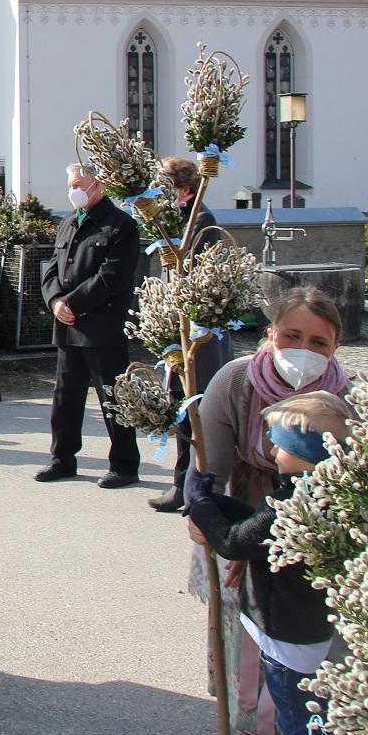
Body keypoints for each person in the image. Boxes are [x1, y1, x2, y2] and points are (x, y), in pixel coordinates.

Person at [188, 286, 349, 735]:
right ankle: (253, 716)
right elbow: (208, 470)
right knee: (249, 607)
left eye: (318, 342)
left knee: (314, 616)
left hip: (325, 519)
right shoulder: (236, 381)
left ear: (335, 346)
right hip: (248, 503)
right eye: (292, 335)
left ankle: (327, 721)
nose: (303, 350)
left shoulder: (348, 395)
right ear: (272, 332)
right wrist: (210, 521)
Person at [187, 392, 352, 735]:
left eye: (280, 443)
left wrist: (202, 505)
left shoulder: (289, 504)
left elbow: (234, 543)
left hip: (286, 638)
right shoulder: (329, 494)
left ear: (305, 451)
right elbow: (259, 529)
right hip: (313, 629)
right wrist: (224, 504)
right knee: (315, 721)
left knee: (300, 731)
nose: (273, 450)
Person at [37, 163, 142, 487]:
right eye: (71, 185)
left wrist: (73, 304)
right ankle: (62, 459)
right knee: (65, 397)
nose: (73, 191)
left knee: (114, 398)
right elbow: (52, 270)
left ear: (98, 185)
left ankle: (124, 465)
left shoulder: (120, 225)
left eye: (79, 184)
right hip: (69, 326)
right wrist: (56, 301)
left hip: (102, 327)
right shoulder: (68, 222)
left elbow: (113, 277)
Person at [151, 155, 234, 512]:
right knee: (180, 404)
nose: (157, 195)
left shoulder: (201, 220)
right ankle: (185, 485)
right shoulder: (175, 218)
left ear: (184, 189)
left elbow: (199, 273)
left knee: (194, 405)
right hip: (179, 326)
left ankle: (192, 488)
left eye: (163, 188)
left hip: (199, 331)